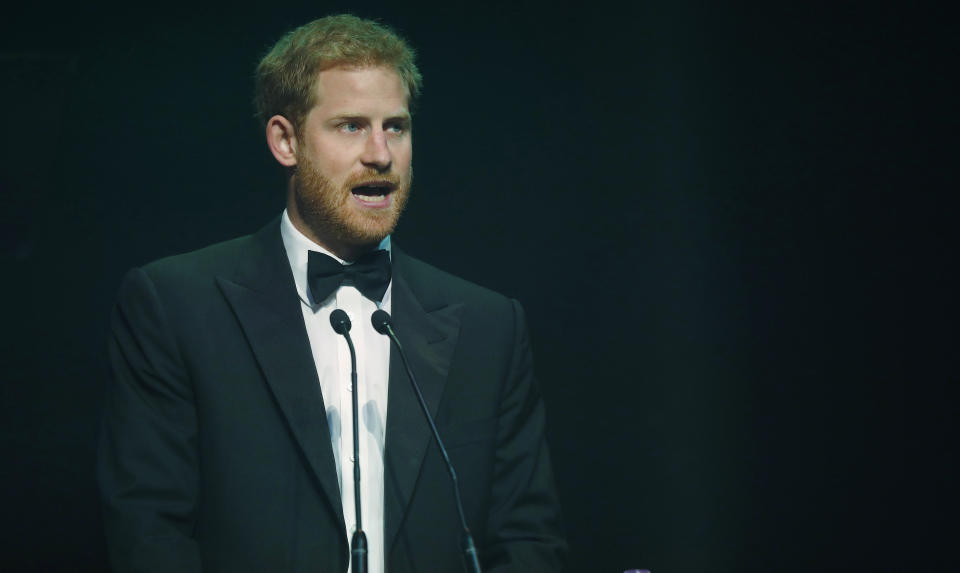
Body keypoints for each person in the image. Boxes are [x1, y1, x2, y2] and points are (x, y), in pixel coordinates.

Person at [98, 14, 566, 573]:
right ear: (285, 140)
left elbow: (529, 542)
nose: (380, 154)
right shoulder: (176, 305)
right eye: (350, 126)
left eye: (396, 126)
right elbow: (148, 534)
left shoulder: (491, 327)